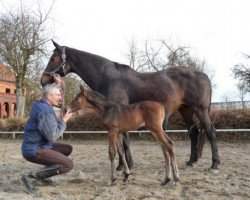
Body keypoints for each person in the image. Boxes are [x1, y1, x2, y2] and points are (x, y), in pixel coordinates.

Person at [21, 76, 74, 193]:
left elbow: (53, 97)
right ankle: (30, 177)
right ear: (49, 96)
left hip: (41, 145)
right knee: (68, 164)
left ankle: (42, 176)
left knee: (67, 149)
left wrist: (59, 86)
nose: (60, 98)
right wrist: (64, 120)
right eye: (58, 95)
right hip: (34, 149)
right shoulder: (45, 111)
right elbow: (53, 136)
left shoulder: (41, 103)